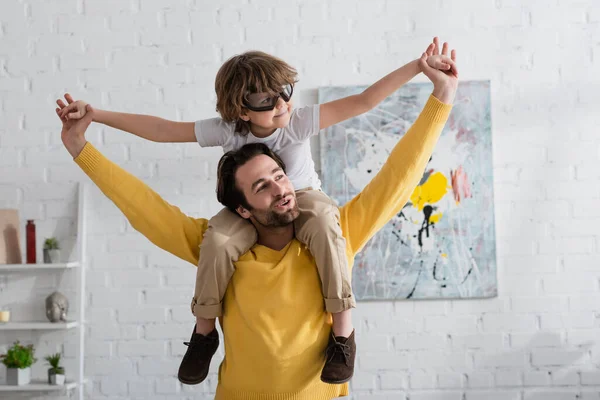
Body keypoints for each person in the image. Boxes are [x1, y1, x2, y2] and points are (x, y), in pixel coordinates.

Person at [56, 40, 458, 399]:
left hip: (320, 378)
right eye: (262, 187)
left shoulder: (334, 230)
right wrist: (89, 131)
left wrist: (433, 86)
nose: (282, 104)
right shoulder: (220, 239)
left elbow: (397, 166)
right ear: (242, 208)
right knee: (216, 241)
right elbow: (151, 172)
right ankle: (202, 334)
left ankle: (344, 336)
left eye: (279, 175)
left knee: (321, 219)